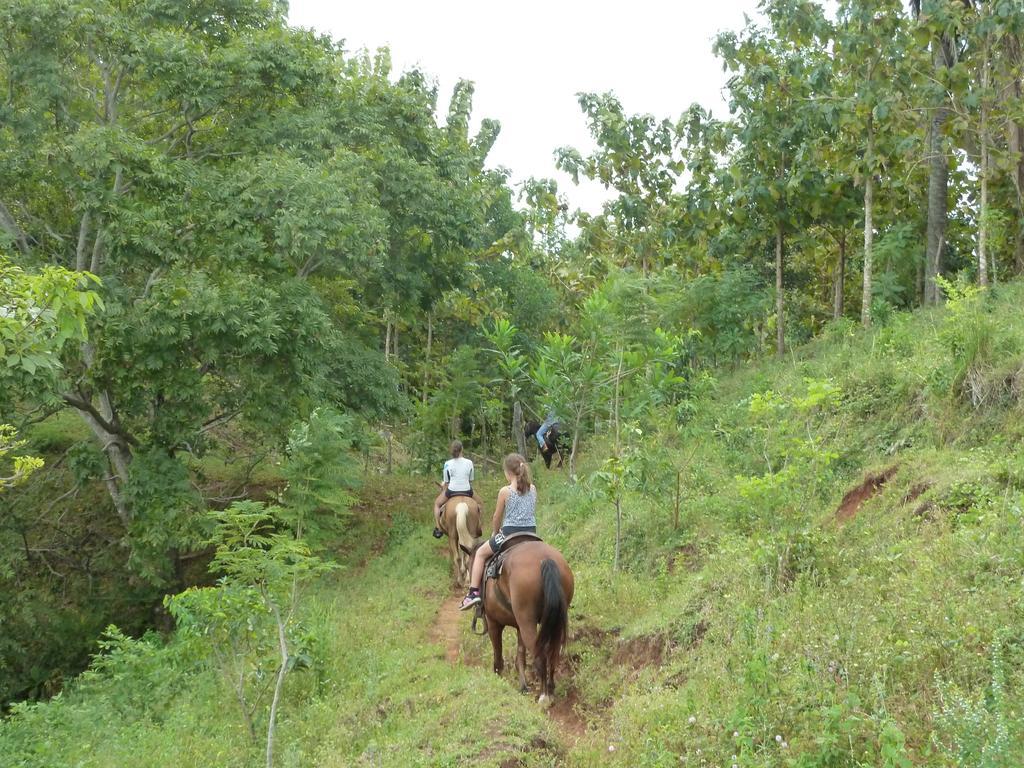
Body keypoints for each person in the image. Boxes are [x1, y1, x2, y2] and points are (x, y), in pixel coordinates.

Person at [459, 452, 536, 610]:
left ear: (508, 473)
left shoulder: (505, 491)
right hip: (531, 534)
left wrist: (495, 532)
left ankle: (473, 592)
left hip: (509, 534)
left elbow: (496, 517)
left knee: (480, 553)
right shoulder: (533, 489)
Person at [432, 440, 476, 538]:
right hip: (467, 490)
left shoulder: (447, 463)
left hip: (452, 491)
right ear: (462, 449)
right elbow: (471, 480)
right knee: (480, 504)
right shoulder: (469, 462)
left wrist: (443, 486)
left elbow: (446, 482)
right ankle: (478, 526)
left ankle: (438, 528)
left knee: (437, 504)